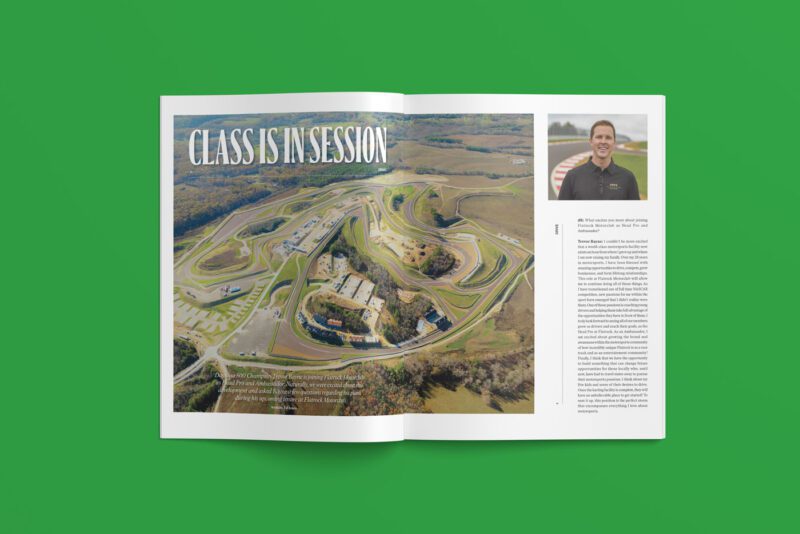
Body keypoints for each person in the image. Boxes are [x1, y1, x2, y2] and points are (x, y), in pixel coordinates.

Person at [558, 120, 640, 200]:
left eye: (608, 137)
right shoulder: (572, 177)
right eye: (599, 137)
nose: (603, 141)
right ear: (591, 141)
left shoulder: (628, 178)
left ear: (614, 142)